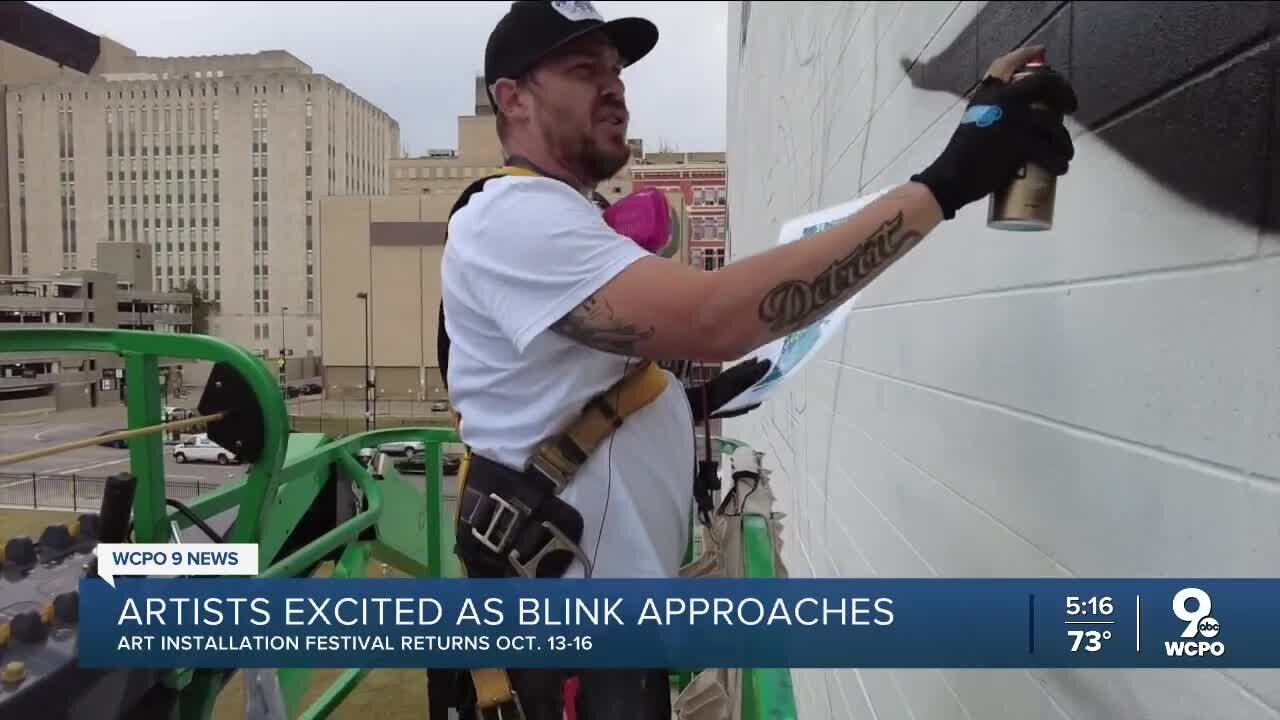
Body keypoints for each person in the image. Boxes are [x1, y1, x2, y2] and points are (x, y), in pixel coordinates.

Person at [439, 2, 1077, 717]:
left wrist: (678, 406)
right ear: (512, 98)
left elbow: (554, 396)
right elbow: (715, 318)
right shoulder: (512, 217)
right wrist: (947, 183)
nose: (614, 86)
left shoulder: (558, 217)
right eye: (583, 69)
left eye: (616, 70)